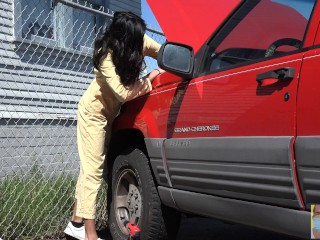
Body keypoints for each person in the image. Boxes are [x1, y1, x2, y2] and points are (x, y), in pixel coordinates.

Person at [64, 11, 163, 240]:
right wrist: (149, 80)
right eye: (137, 38)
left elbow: (162, 52)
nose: (142, 42)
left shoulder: (137, 41)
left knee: (90, 168)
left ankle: (75, 224)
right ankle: (89, 235)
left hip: (108, 115)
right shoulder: (105, 55)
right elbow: (121, 92)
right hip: (93, 115)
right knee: (93, 172)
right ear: (124, 38)